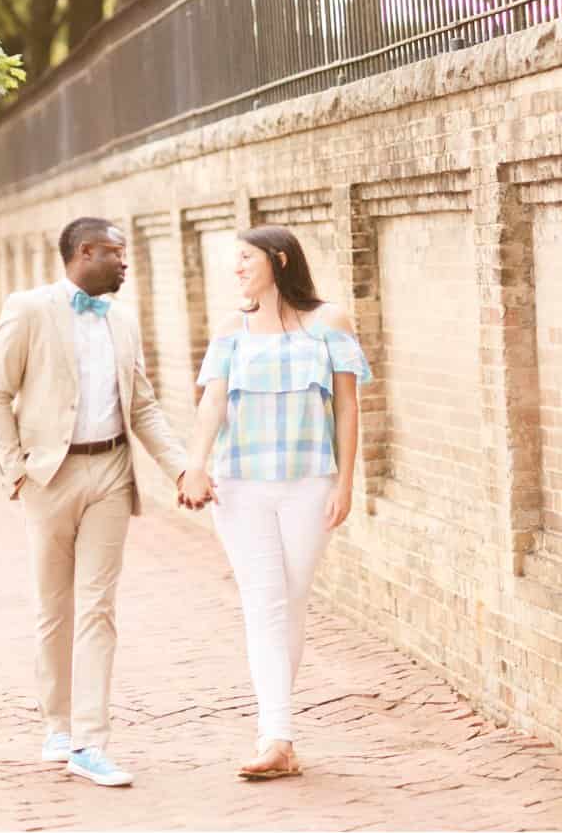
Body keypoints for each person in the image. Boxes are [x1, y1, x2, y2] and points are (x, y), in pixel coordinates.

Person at [0, 217, 214, 787]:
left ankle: (90, 741)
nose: (124, 262)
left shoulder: (124, 322)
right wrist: (16, 470)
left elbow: (144, 408)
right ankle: (56, 725)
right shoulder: (30, 309)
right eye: (114, 252)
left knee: (97, 608)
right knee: (53, 608)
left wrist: (182, 467)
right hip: (49, 477)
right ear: (83, 253)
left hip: (111, 471)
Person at [179, 225, 371, 780]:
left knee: (291, 600)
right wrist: (196, 464)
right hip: (239, 487)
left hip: (310, 483)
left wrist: (345, 482)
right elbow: (213, 402)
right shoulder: (231, 329)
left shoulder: (328, 322)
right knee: (264, 603)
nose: (236, 268)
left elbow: (348, 409)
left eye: (245, 258)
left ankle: (278, 733)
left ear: (278, 259)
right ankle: (276, 736)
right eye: (233, 260)